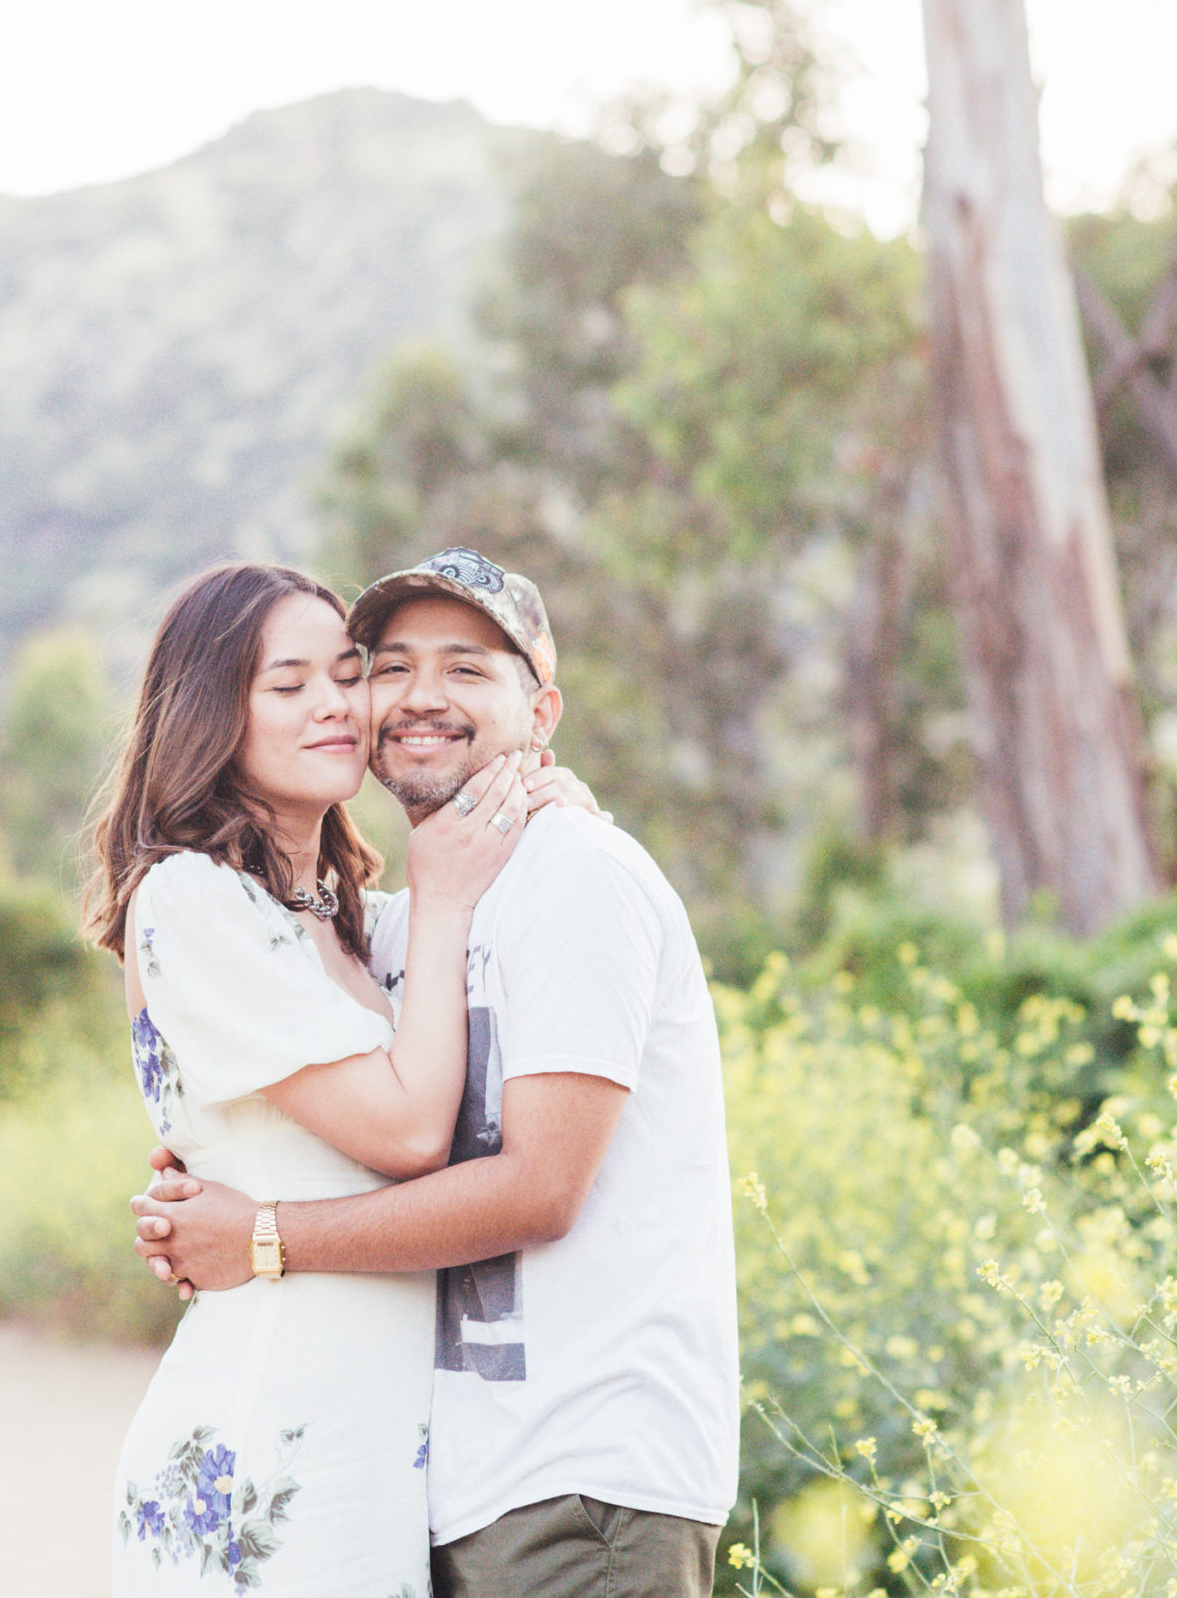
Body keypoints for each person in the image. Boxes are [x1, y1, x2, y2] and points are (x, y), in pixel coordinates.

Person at [133, 548, 740, 1598]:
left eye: (467, 669)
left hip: (582, 1473)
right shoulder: (385, 932)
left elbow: (533, 1187)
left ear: (540, 712)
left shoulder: (572, 876)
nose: (404, 699)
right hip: (429, 1474)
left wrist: (261, 1232)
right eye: (387, 666)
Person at [84, 560, 592, 1596]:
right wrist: (446, 893)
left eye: (347, 673)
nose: (336, 704)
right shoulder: (190, 900)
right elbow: (408, 1133)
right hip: (270, 1436)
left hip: (373, 1447)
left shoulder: (348, 922)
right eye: (288, 684)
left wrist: (549, 805)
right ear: (211, 715)